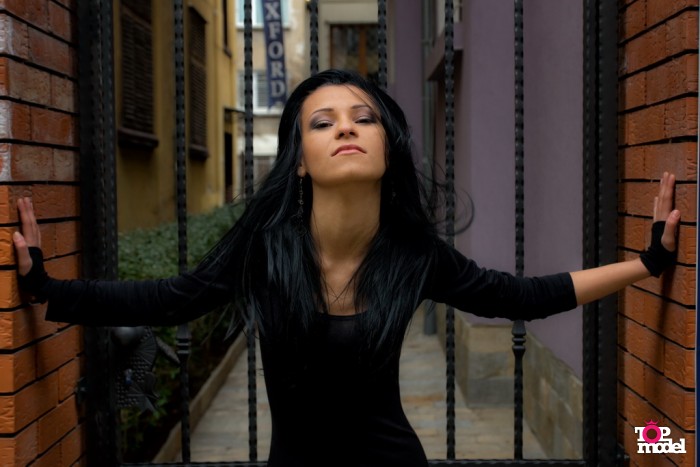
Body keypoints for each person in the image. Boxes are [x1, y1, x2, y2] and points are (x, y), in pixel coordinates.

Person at [12, 70, 680, 467]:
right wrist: (44, 287)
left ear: (388, 148)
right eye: (322, 122)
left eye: (364, 118)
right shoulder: (265, 248)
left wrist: (647, 263)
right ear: (300, 161)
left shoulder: (412, 254)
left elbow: (523, 296)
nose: (345, 128)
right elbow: (168, 298)